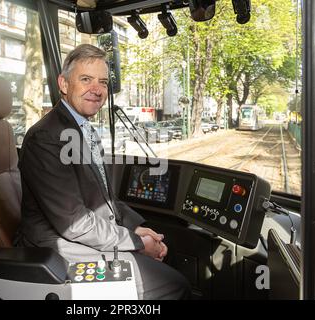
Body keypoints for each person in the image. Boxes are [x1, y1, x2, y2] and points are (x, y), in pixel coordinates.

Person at [14, 44, 190, 300]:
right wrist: (137, 243)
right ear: (63, 84)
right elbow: (74, 223)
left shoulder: (84, 129)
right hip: (54, 247)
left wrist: (137, 229)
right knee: (176, 285)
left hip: (79, 234)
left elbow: (102, 200)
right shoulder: (46, 137)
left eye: (103, 82)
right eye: (86, 80)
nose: (97, 90)